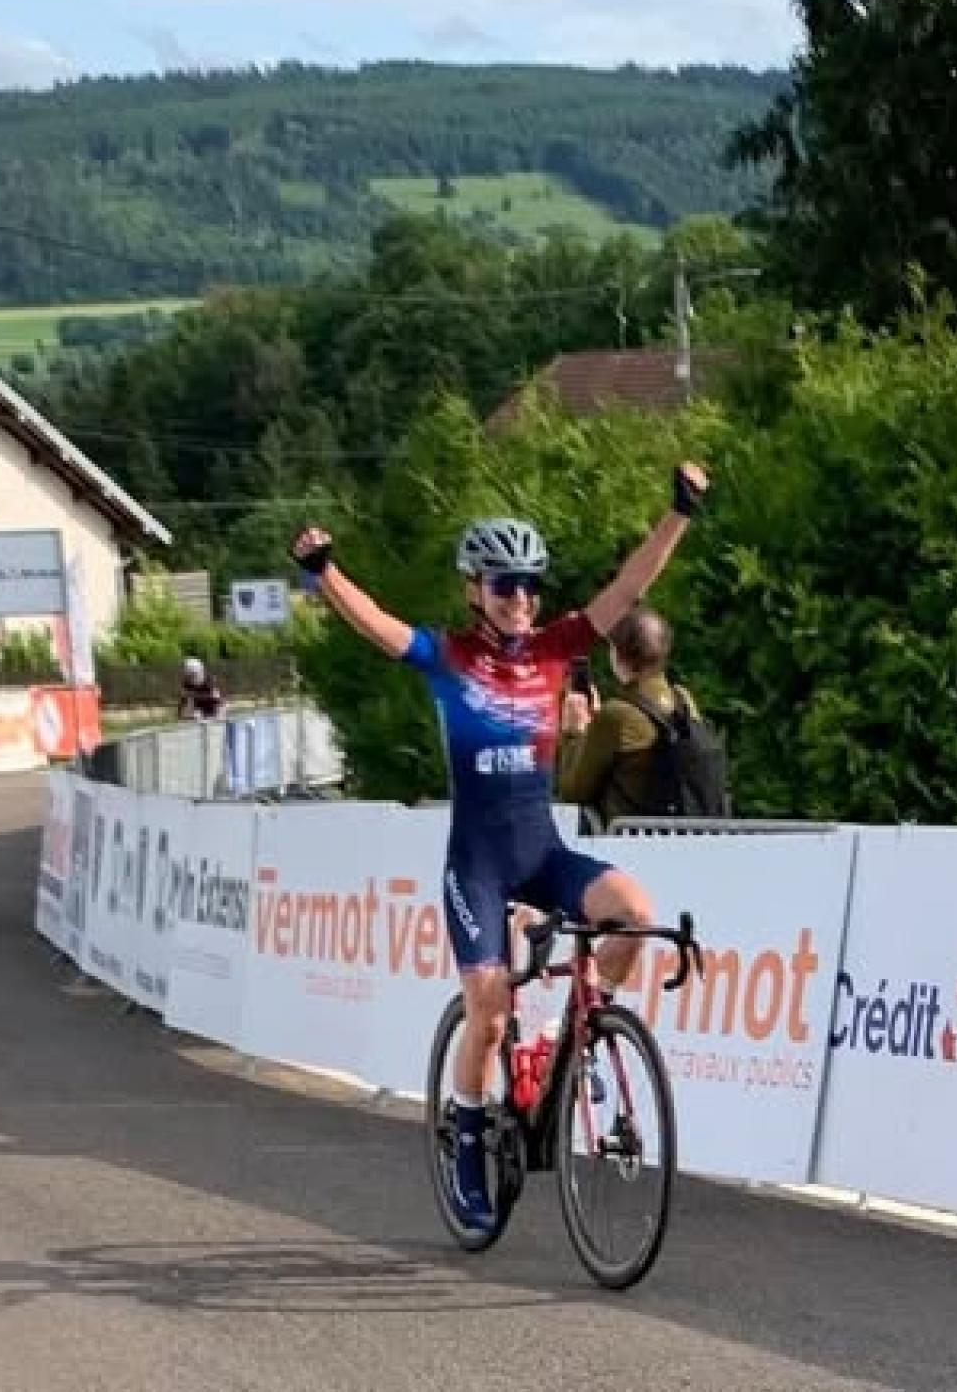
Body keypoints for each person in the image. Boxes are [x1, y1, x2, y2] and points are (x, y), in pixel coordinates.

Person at [289, 462, 708, 1233]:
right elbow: (379, 624)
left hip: (543, 853)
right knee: (486, 1009)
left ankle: (570, 1037)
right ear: (474, 589)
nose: (520, 598)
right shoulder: (449, 657)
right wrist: (325, 574)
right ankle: (471, 1135)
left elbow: (625, 590)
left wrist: (679, 513)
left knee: (634, 914)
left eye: (530, 585)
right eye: (504, 583)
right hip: (478, 863)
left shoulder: (554, 647)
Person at [556, 607, 730, 829]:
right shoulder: (684, 700)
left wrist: (574, 731)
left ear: (618, 654)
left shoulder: (616, 715)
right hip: (685, 840)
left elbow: (572, 790)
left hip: (630, 848)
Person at [178, 657, 226, 721]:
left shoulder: (210, 681)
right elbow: (182, 706)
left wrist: (219, 716)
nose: (191, 678)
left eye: (193, 675)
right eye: (189, 676)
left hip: (213, 709)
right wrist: (187, 715)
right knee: (194, 710)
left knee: (218, 708)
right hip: (198, 710)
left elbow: (220, 703)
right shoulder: (186, 685)